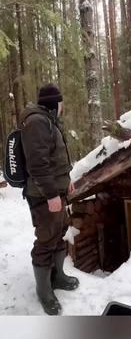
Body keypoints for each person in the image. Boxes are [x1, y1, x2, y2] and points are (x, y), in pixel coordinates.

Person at [20, 84, 79, 315]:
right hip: (43, 195)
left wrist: (67, 180)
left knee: (59, 232)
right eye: (61, 102)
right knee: (46, 239)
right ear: (55, 104)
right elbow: (38, 163)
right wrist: (52, 194)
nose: (63, 107)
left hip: (56, 189)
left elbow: (56, 159)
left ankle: (58, 277)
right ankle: (44, 291)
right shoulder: (37, 122)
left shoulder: (48, 121)